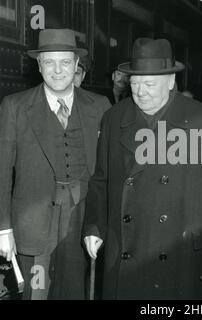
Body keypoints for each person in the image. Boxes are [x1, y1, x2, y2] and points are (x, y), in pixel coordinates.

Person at [83, 37, 202, 299]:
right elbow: (101, 180)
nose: (140, 92)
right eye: (134, 83)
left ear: (171, 81)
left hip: (180, 250)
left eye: (149, 84)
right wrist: (94, 227)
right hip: (127, 246)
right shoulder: (113, 118)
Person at [0, 29, 111, 299]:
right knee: (35, 294)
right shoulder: (15, 106)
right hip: (32, 223)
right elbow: (1, 170)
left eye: (65, 62)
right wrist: (4, 228)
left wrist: (101, 223)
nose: (58, 70)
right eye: (49, 62)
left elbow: (108, 171)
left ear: (76, 65)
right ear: (39, 66)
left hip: (82, 220)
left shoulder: (100, 106)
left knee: (75, 292)